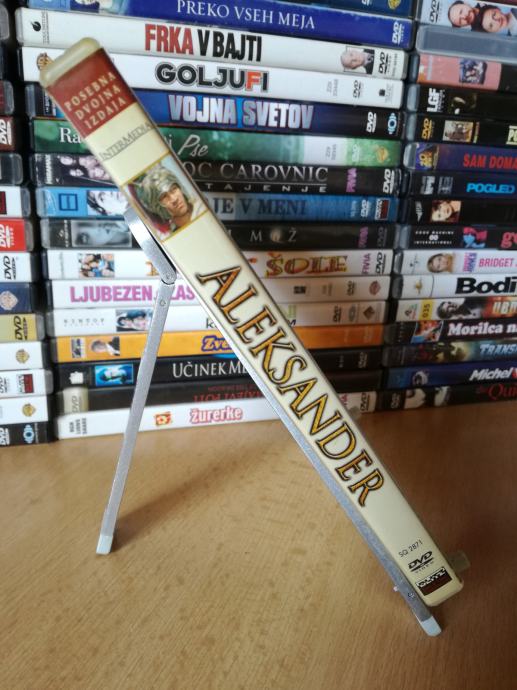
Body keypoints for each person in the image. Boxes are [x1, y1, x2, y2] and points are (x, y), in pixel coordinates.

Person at [133, 164, 204, 240]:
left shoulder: (202, 208)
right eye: (164, 196)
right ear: (157, 206)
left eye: (173, 189)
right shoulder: (167, 237)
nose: (174, 199)